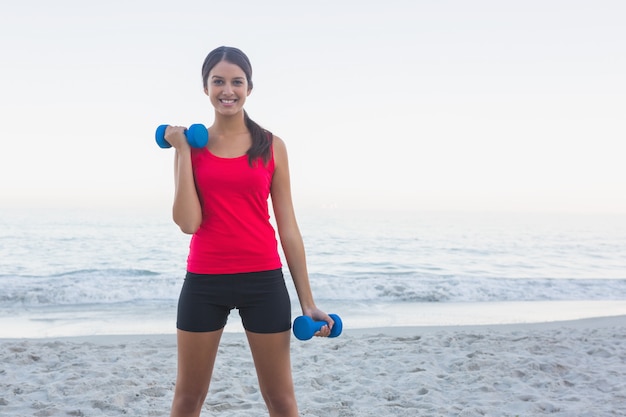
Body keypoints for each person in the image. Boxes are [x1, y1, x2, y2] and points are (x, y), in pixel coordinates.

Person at [164, 46, 334, 417]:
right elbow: (188, 223)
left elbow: (288, 228)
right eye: (218, 81)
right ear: (206, 88)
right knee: (187, 398)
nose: (228, 90)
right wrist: (180, 153)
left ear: (249, 88)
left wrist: (307, 301)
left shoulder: (272, 146)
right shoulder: (193, 147)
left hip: (263, 282)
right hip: (205, 281)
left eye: (236, 82)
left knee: (280, 399)